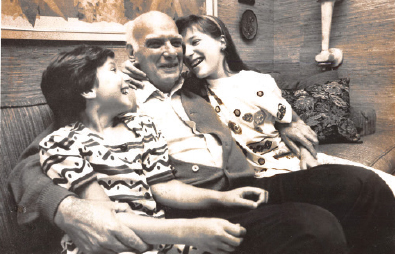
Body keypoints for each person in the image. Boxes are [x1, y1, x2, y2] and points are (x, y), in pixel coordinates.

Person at [8, 11, 395, 254]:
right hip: (191, 201)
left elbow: (250, 89)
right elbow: (31, 162)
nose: (173, 52)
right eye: (156, 44)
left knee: (359, 185)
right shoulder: (121, 96)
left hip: (245, 183)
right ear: (133, 53)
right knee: (315, 228)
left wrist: (288, 120)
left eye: (176, 42)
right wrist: (66, 207)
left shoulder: (196, 85)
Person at [38, 44, 269, 254]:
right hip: (109, 243)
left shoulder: (143, 126)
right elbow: (103, 217)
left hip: (160, 238)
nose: (126, 77)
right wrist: (189, 230)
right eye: (113, 70)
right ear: (87, 90)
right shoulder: (62, 143)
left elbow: (165, 187)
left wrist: (223, 198)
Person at [173, 14, 395, 195]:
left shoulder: (256, 81)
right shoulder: (191, 91)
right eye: (183, 48)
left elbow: (295, 125)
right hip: (266, 180)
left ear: (222, 42)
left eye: (195, 42)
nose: (188, 53)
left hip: (295, 163)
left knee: (383, 186)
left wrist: (307, 157)